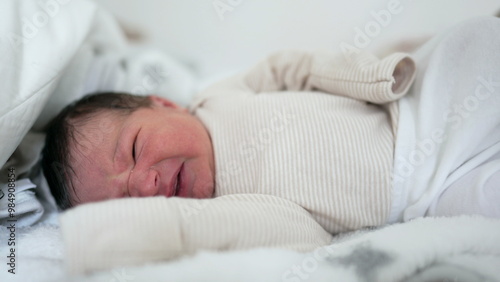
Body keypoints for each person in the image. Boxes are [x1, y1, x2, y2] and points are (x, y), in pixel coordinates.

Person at [42, 17, 500, 234]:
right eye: (125, 202)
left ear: (163, 103)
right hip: (422, 199)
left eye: (136, 149)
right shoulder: (218, 216)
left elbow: (289, 68)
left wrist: (374, 77)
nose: (144, 183)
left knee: (473, 47)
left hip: (405, 114)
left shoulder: (217, 98)